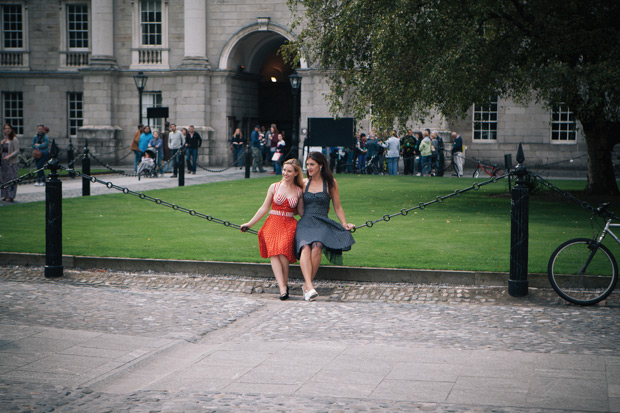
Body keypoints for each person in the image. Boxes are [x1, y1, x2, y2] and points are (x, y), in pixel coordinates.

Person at [240, 159, 305, 300]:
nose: (285, 173)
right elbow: (264, 208)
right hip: (273, 223)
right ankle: (282, 287)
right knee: (274, 252)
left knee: (283, 252)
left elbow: (301, 212)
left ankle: (284, 284)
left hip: (289, 224)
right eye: (284, 170)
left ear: (295, 173)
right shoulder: (274, 187)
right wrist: (250, 224)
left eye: (289, 171)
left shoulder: (299, 191)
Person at [295, 152, 355, 301]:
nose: (308, 167)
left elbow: (337, 207)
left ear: (320, 165)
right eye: (307, 164)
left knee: (317, 246)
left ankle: (307, 286)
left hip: (322, 221)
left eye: (312, 164)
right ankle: (309, 286)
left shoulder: (331, 183)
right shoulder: (303, 183)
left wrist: (344, 223)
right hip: (306, 222)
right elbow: (298, 208)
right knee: (305, 247)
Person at [1, 123, 19, 202]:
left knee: (11, 178)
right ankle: (5, 195)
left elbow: (17, 150)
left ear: (11, 129)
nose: (7, 130)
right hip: (3, 161)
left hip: (11, 162)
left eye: (8, 128)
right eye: (5, 128)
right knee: (4, 178)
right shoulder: (4, 139)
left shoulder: (14, 139)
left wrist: (10, 156)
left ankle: (11, 195)